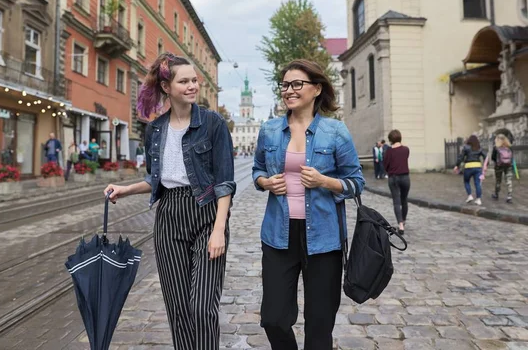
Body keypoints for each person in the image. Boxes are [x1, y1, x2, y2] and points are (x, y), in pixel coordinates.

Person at [103, 52, 235, 350]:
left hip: (206, 212)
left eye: (194, 81)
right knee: (178, 309)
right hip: (169, 216)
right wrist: (125, 190)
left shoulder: (213, 124)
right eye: (184, 81)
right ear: (167, 87)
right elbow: (157, 178)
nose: (192, 86)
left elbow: (225, 182)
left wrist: (218, 229)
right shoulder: (156, 129)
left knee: (202, 307)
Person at [252, 59, 365, 350]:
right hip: (278, 236)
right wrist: (265, 183)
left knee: (319, 326)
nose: (289, 90)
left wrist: (324, 182)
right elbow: (257, 171)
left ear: (316, 89)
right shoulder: (270, 130)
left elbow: (356, 182)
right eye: (285, 85)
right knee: (273, 318)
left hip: (324, 240)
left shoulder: (335, 132)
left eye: (297, 84)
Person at [383, 130, 410, 235]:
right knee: (404, 200)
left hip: (393, 178)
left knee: (396, 202)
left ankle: (400, 225)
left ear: (390, 139)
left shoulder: (389, 151)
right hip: (405, 177)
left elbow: (385, 165)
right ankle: (403, 220)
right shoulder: (406, 149)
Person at [454, 135, 487, 206]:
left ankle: (470, 196)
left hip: (468, 167)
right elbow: (486, 156)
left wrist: (457, 165)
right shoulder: (479, 148)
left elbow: (461, 157)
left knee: (466, 181)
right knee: (477, 183)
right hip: (478, 167)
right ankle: (478, 199)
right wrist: (485, 165)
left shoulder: (466, 147)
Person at [490, 134, 513, 203]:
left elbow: (493, 157)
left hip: (498, 166)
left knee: (498, 180)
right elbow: (512, 157)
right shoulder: (509, 147)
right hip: (508, 165)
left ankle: (496, 194)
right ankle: (509, 196)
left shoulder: (496, 147)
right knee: (509, 180)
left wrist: (497, 161)